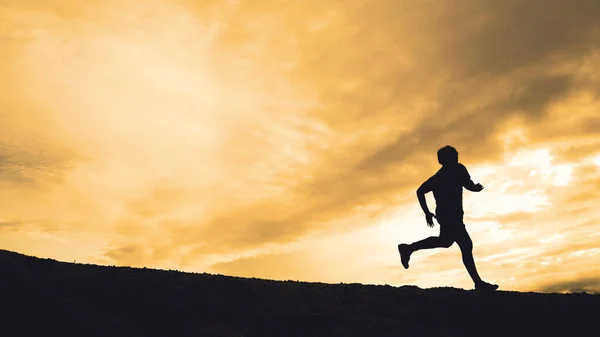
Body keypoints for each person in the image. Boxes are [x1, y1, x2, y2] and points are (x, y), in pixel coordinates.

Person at [398, 145, 498, 292]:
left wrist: (475, 188)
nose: (457, 157)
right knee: (465, 244)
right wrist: (426, 212)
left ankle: (408, 248)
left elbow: (467, 183)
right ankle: (479, 283)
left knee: (445, 242)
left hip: (455, 215)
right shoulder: (439, 177)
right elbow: (420, 191)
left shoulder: (459, 169)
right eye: (454, 156)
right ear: (444, 160)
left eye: (457, 155)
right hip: (447, 215)